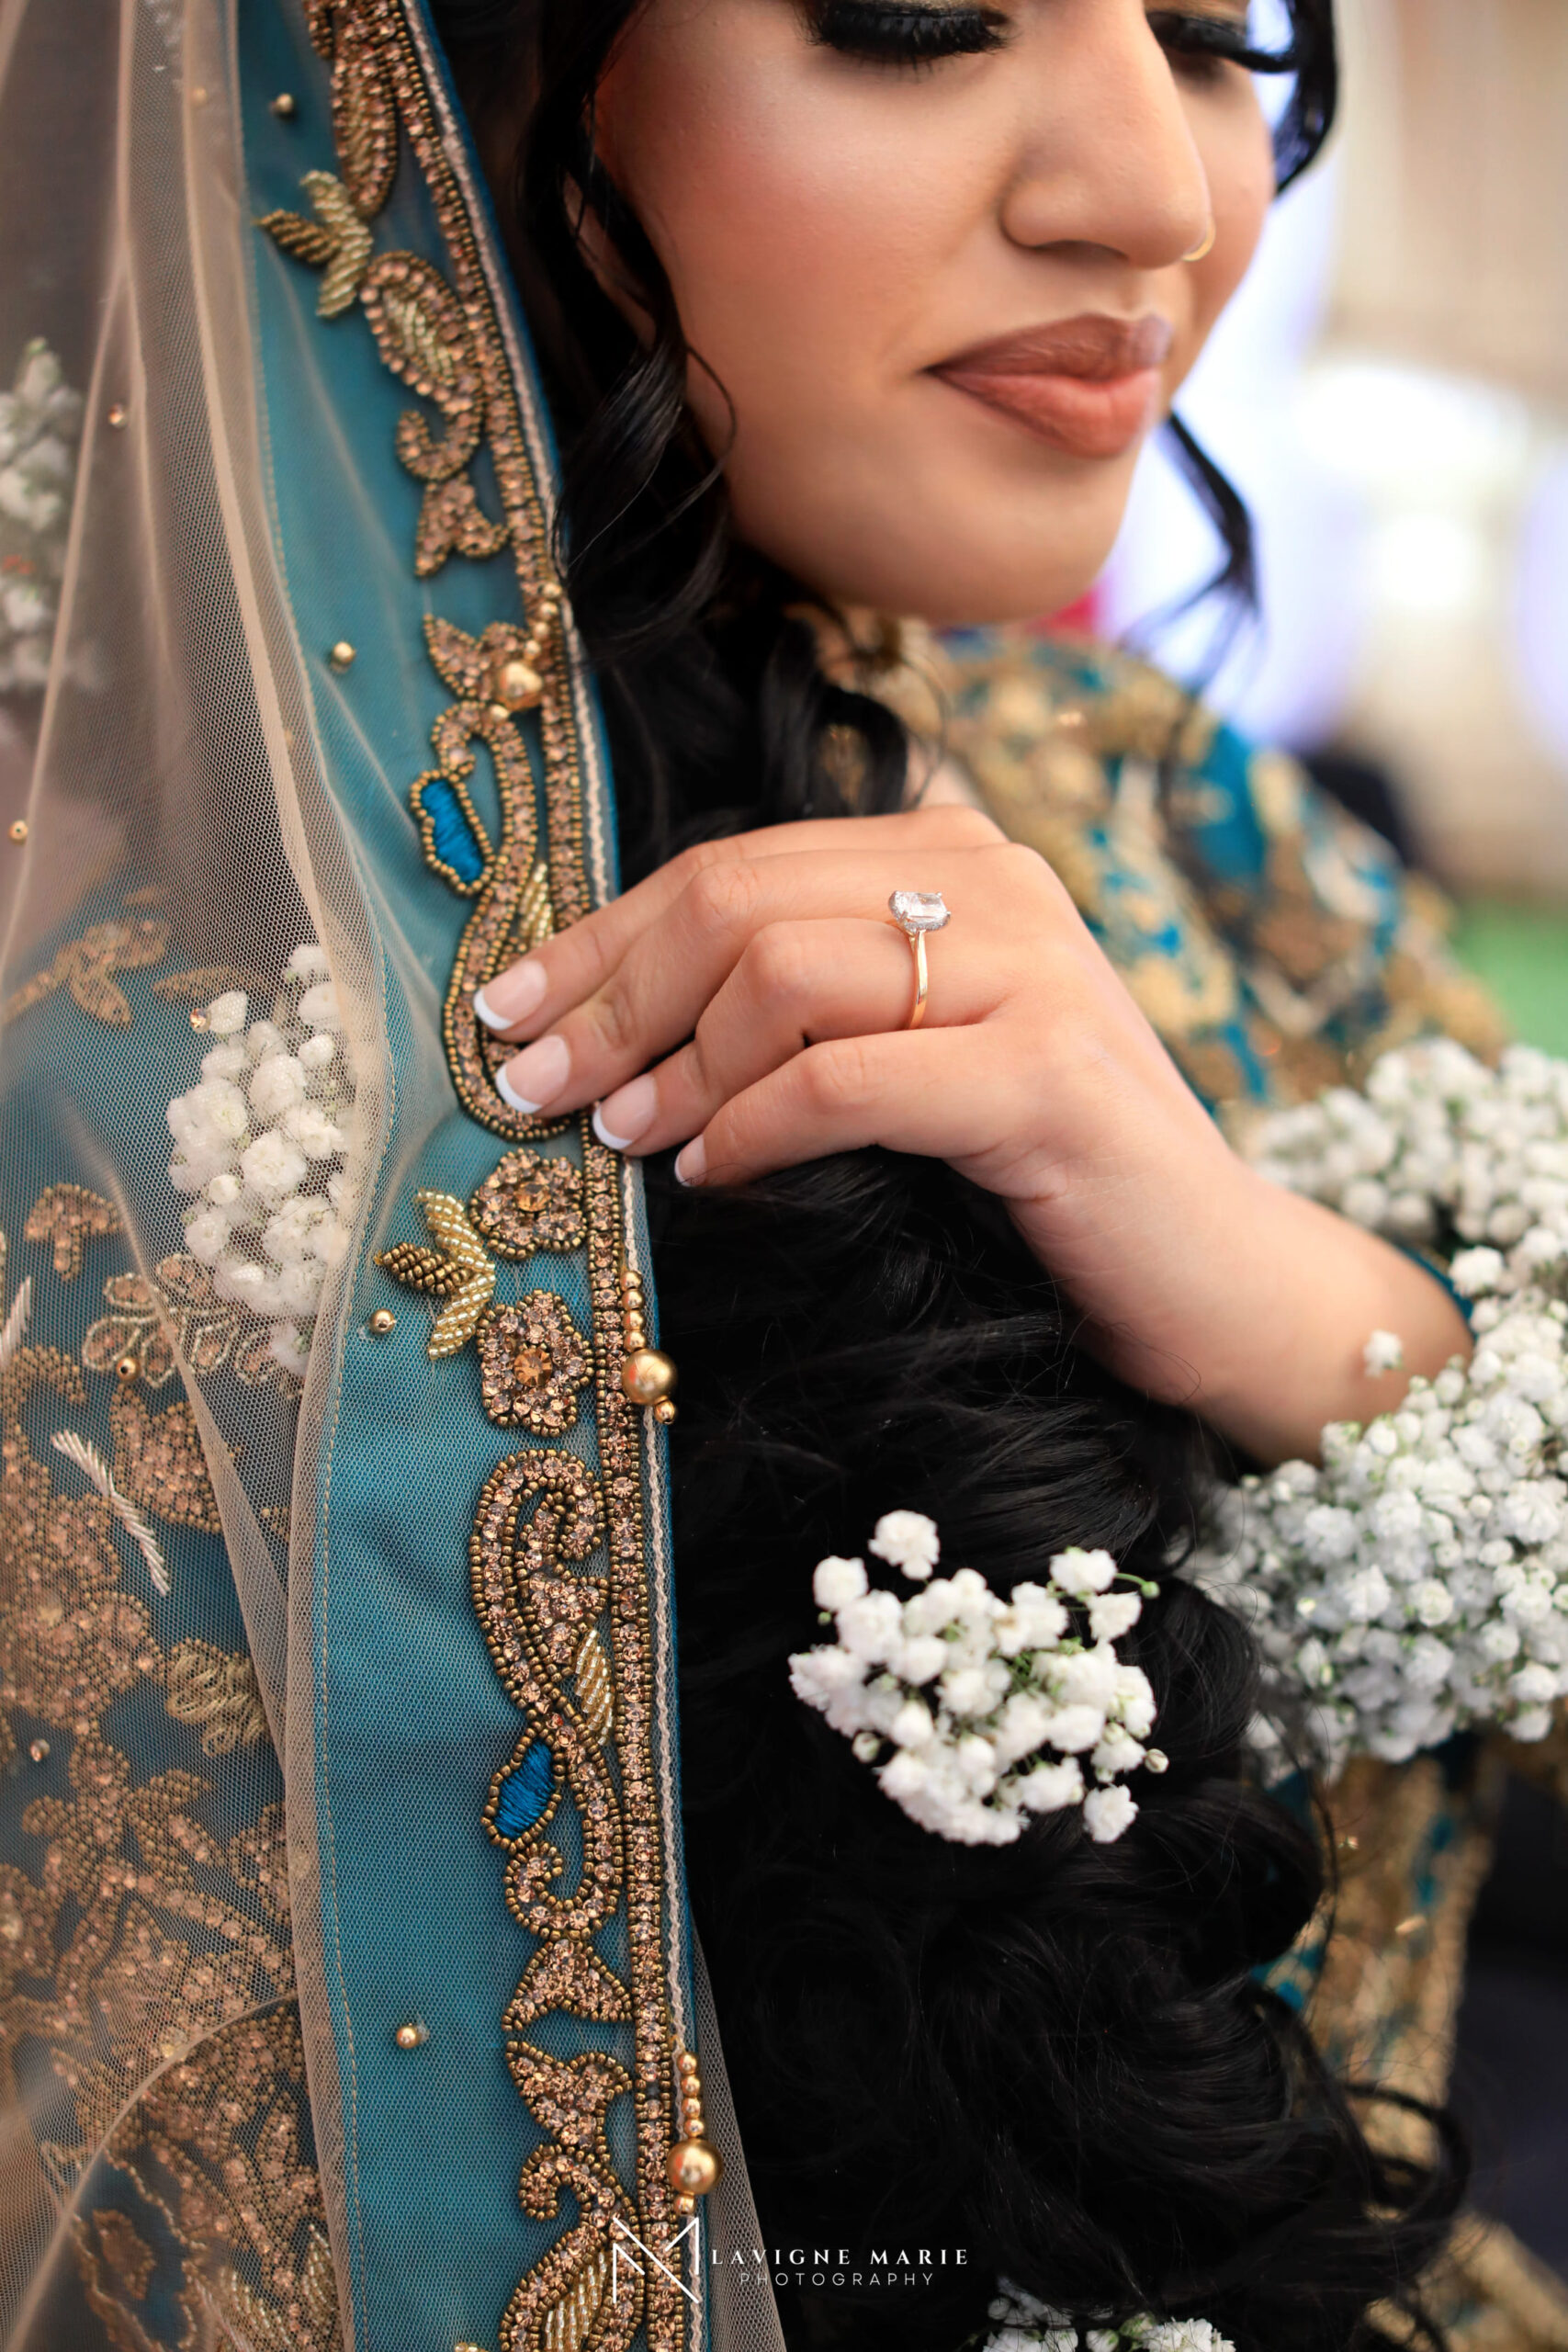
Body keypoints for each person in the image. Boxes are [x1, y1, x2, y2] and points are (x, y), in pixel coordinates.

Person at [0, 4, 1562, 2352]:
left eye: (1209, 31)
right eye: (913, 13)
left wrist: (1266, 1290)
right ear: (463, 78)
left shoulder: (1169, 808)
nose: (1154, 192)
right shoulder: (139, 1086)